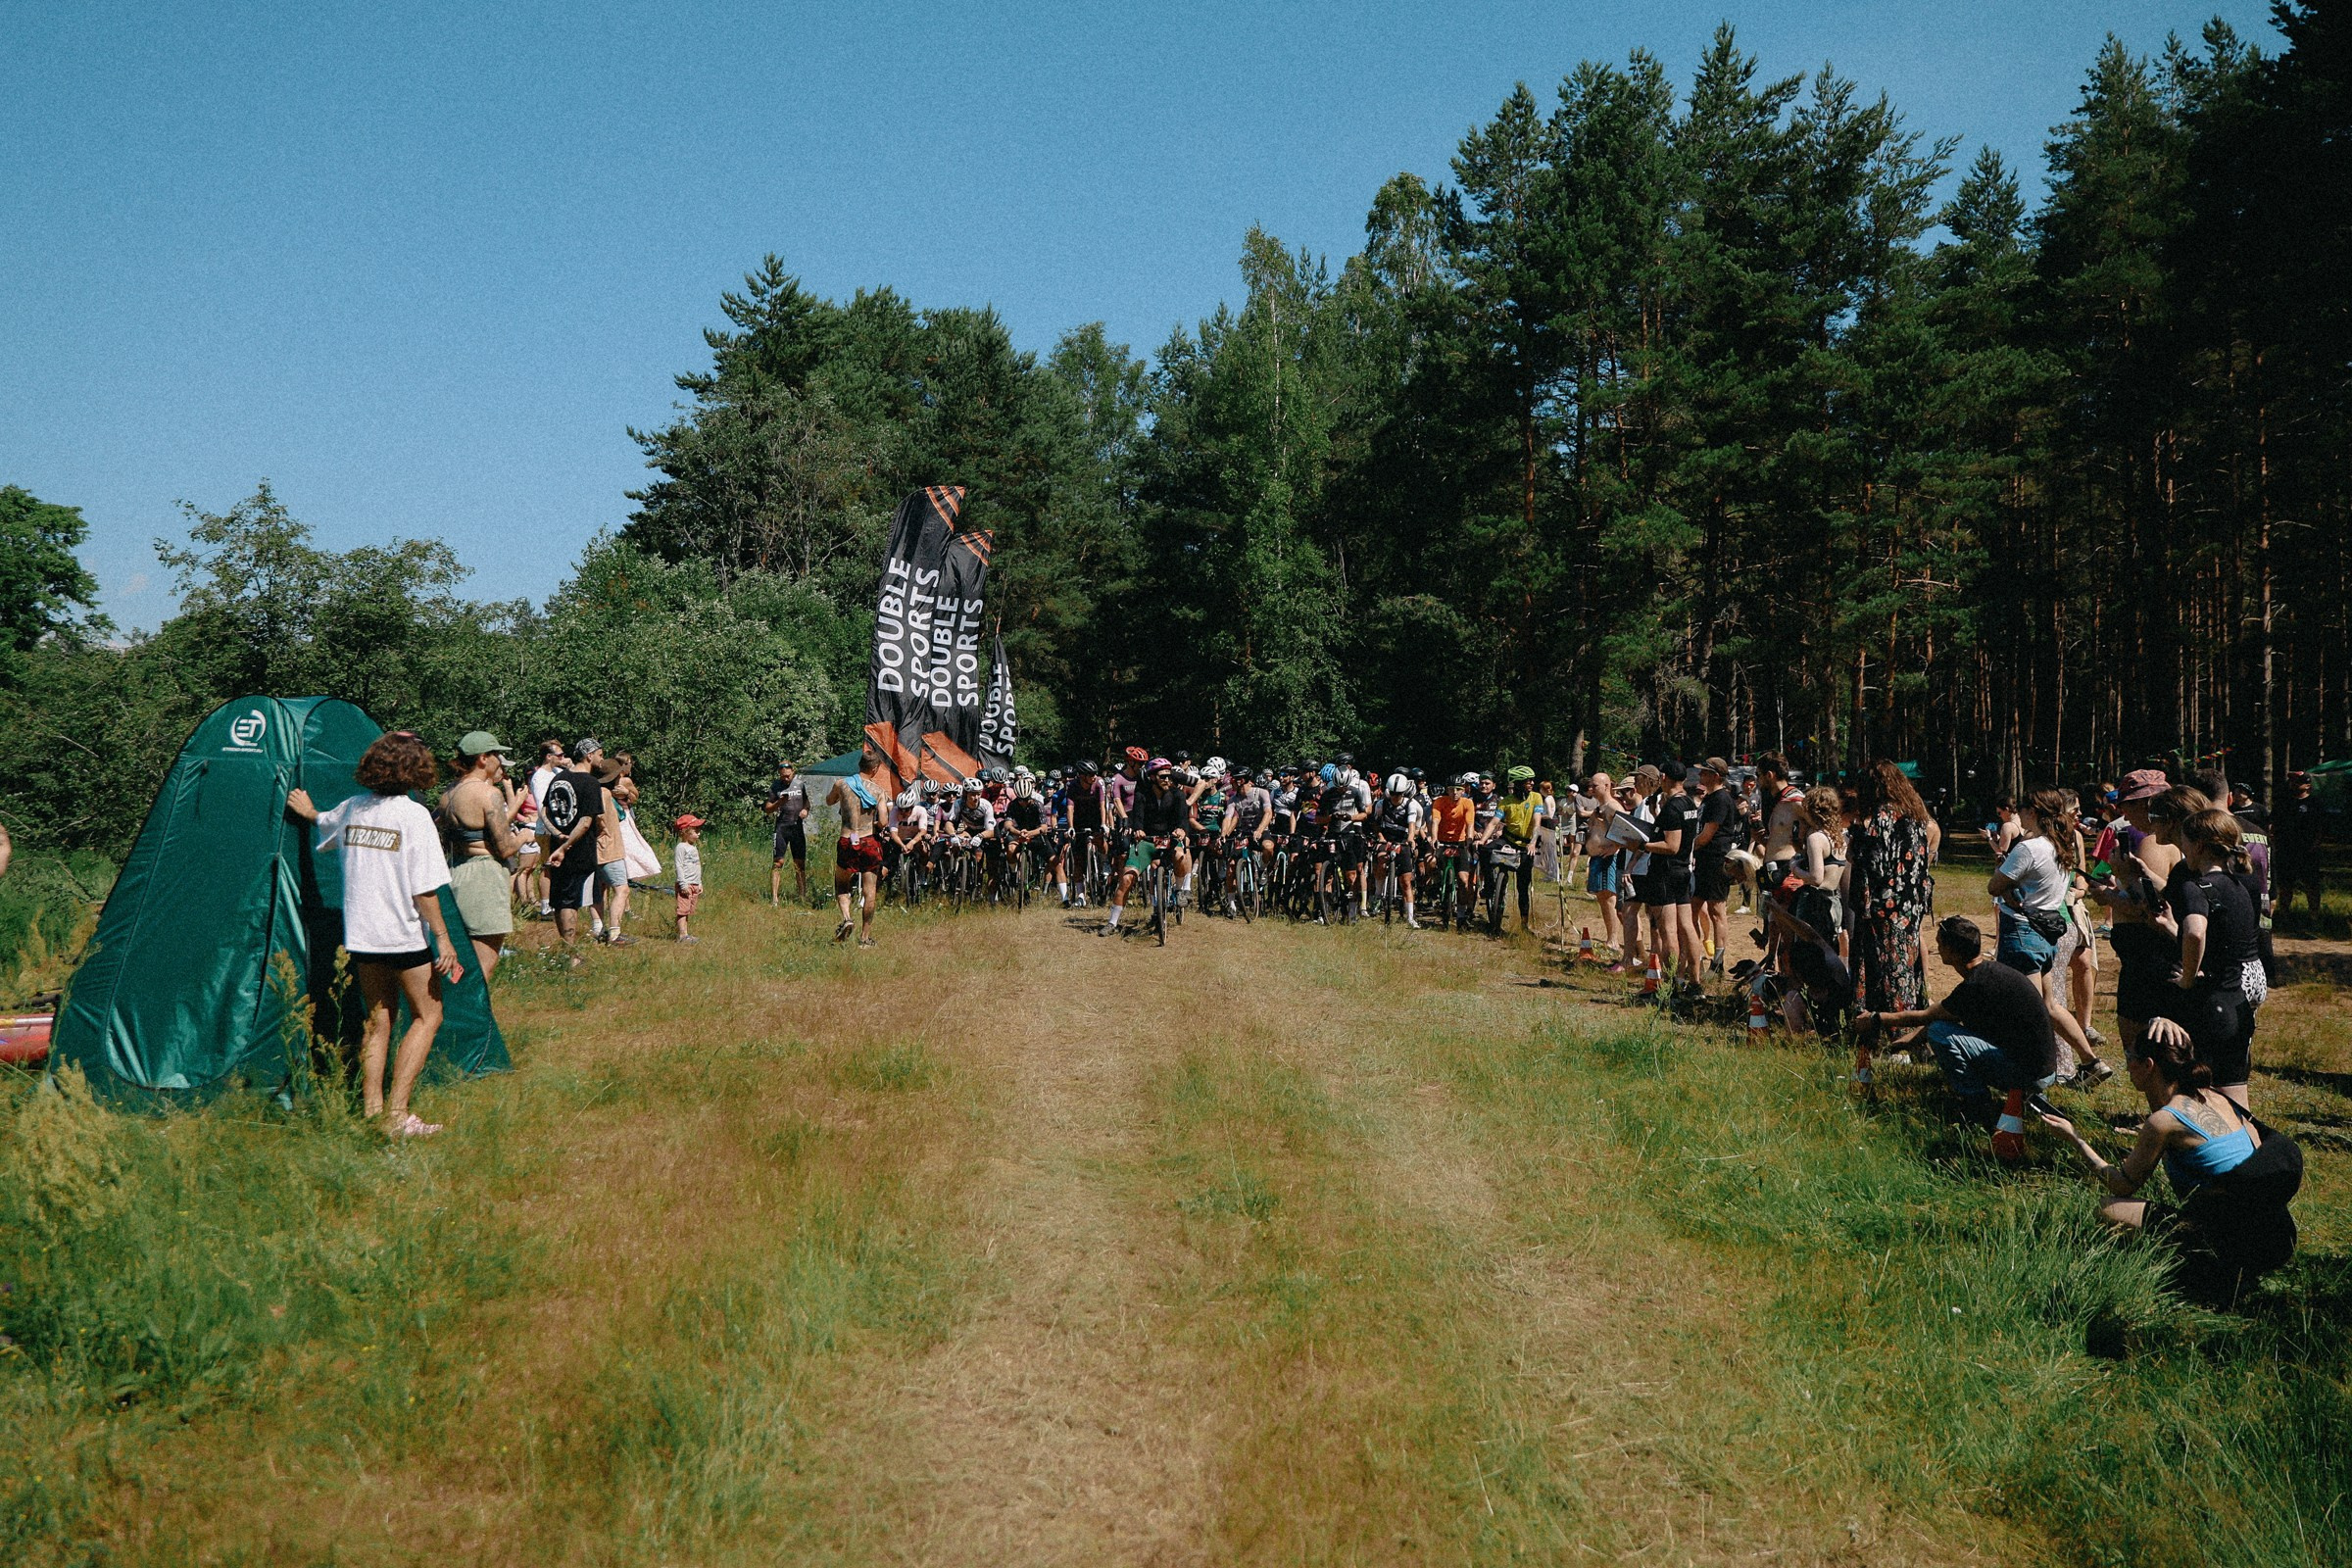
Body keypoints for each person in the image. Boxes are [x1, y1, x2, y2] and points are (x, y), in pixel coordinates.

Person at [2036, 1020, 2301, 1304]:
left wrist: (2075, 1139)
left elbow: (2122, 1185)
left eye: (2130, 1058)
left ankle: (2201, 1276)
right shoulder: (2214, 1096)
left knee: (2106, 1209)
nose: (2127, 1067)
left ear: (2148, 1065)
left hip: (2233, 1243)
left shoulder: (2165, 1121)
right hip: (2277, 1236)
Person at [284, 732, 463, 1138]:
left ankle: (371, 1112)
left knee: (377, 1021)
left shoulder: (353, 809)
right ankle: (397, 1117)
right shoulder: (414, 815)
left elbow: (325, 823)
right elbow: (425, 889)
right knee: (428, 1015)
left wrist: (309, 812)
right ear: (415, 770)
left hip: (362, 937)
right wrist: (444, 938)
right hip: (402, 936)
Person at [1862, 915, 2057, 1124]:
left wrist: (1875, 1018)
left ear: (1953, 952)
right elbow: (1949, 1017)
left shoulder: (1974, 987)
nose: (1937, 949)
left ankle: (1977, 1104)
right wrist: (1909, 1041)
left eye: (1939, 944)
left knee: (1938, 1033)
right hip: (2042, 1070)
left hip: (2029, 1074)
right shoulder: (1993, 973)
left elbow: (1929, 1017)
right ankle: (2025, 1095)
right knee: (1940, 1028)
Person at [2151, 808, 2260, 1108]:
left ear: (2198, 845)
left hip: (2208, 1008)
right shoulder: (2241, 886)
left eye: (2184, 841)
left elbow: (2197, 934)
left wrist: (2187, 977)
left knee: (2202, 1102)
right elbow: (2219, 940)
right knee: (2237, 1103)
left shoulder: (2196, 888)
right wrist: (2174, 928)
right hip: (2237, 1004)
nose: (2182, 848)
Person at [1846, 760, 1935, 1016]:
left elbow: (1869, 864)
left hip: (1881, 908)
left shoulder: (1877, 820)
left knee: (1884, 969)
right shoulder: (1917, 817)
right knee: (1906, 965)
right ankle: (1911, 1024)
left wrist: (1855, 846)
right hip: (1909, 907)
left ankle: (1885, 1027)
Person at [440, 730, 522, 979]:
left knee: (459, 963)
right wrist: (526, 837)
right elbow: (506, 847)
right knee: (482, 965)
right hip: (483, 877)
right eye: (496, 754)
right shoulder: (488, 794)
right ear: (483, 758)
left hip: (455, 870)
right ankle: (476, 1017)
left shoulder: (448, 794)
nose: (499, 760)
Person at [1102, 758, 1191, 936]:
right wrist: (1138, 830)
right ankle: (1112, 922)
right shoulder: (1142, 795)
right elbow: (1137, 818)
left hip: (1170, 839)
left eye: (1169, 776)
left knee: (1181, 856)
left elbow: (1183, 819)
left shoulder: (1177, 795)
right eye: (1162, 776)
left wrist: (1181, 830)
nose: (1167, 779)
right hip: (1146, 842)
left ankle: (1179, 889)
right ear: (1152, 777)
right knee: (1127, 879)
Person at [1639, 761, 1704, 994]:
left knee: (1668, 932)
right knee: (1687, 927)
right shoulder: (1689, 803)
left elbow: (1671, 845)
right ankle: (1695, 981)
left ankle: (1670, 983)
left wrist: (1642, 844)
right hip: (1683, 871)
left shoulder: (1673, 807)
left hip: (1666, 872)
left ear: (1664, 777)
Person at [538, 747, 609, 954]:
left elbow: (544, 811)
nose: (601, 759)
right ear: (589, 755)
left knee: (560, 899)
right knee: (572, 901)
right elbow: (586, 822)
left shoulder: (558, 779)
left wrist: (556, 834)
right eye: (600, 754)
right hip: (579, 850)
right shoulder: (590, 783)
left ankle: (565, 948)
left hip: (556, 848)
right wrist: (566, 845)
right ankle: (571, 953)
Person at [827, 741, 888, 946]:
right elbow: (884, 822)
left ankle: (846, 918)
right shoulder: (879, 791)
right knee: (870, 890)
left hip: (847, 838)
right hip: (868, 840)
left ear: (859, 765)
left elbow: (829, 801)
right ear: (875, 768)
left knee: (842, 883)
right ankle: (864, 938)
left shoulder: (842, 784)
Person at [1690, 759, 1738, 974]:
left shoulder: (1721, 799)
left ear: (1716, 776)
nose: (1700, 777)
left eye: (1705, 773)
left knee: (1716, 910)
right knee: (1693, 907)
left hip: (1716, 860)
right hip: (1704, 861)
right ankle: (1694, 954)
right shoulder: (1709, 798)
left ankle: (1718, 961)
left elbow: (1707, 835)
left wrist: (1686, 847)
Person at [1580, 771, 1624, 959]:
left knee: (1609, 898)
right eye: (1590, 785)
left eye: (1595, 785)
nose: (1591, 789)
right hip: (1597, 857)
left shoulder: (1613, 806)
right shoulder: (1599, 807)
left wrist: (1615, 847)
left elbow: (1624, 831)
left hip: (1607, 857)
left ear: (1607, 786)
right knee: (1601, 898)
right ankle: (1610, 937)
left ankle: (1613, 940)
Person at [2274, 771, 2327, 923]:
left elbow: (2322, 828)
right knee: (2285, 885)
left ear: (2308, 785)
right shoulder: (2284, 802)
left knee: (2311, 885)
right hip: (2286, 851)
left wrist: (2316, 845)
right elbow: (2274, 824)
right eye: (2292, 781)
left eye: (2298, 781)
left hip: (2308, 852)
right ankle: (2284, 915)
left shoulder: (2315, 803)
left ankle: (2314, 917)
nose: (2293, 784)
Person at [1499, 766, 1543, 930]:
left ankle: (1524, 923)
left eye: (1532, 780)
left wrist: (1532, 842)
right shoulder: (1506, 801)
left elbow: (1537, 823)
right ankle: (1490, 889)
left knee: (1523, 886)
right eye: (1527, 781)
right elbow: (1495, 822)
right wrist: (1481, 840)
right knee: (1486, 851)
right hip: (1508, 840)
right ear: (1518, 783)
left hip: (1526, 844)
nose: (1531, 783)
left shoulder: (1536, 797)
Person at [764, 760, 810, 905]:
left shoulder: (800, 784)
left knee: (800, 864)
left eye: (788, 776)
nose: (785, 779)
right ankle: (774, 899)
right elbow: (767, 809)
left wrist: (805, 810)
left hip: (797, 828)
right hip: (781, 828)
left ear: (793, 772)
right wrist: (779, 803)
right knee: (778, 862)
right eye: (783, 776)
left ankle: (802, 896)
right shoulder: (775, 787)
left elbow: (807, 802)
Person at [671, 814, 704, 942]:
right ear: (685, 832)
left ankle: (685, 933)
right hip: (685, 884)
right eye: (695, 831)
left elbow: (697, 866)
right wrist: (683, 883)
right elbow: (679, 865)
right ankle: (682, 935)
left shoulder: (693, 847)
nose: (698, 833)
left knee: (688, 910)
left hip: (694, 883)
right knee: (683, 910)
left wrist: (699, 883)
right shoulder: (681, 847)